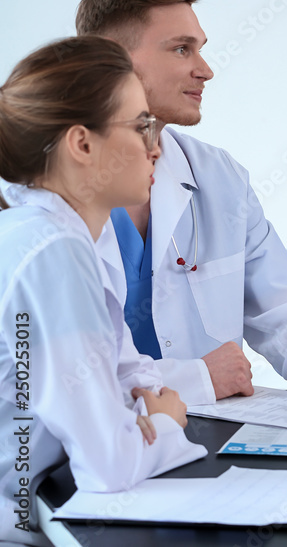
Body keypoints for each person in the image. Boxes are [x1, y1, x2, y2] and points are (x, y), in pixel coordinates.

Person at [74, 0, 287, 420]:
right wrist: (198, 378)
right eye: (182, 49)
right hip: (83, 456)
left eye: (200, 50)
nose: (205, 71)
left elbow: (280, 303)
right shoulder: (47, 190)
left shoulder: (218, 177)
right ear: (111, 58)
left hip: (206, 438)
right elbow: (54, 375)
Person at [0, 37, 207, 546]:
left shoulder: (51, 235)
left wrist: (144, 411)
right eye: (140, 125)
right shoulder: (54, 252)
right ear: (82, 144)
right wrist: (165, 425)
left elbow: (122, 374)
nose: (155, 144)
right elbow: (108, 466)